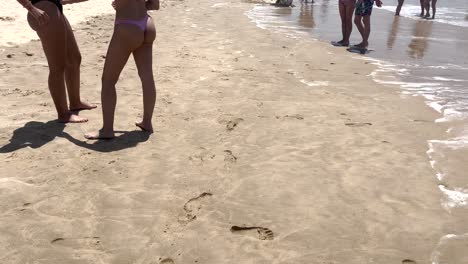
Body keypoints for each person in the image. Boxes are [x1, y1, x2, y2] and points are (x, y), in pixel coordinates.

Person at [85, 0, 159, 140]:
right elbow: (154, 5)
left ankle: (107, 129)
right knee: (147, 77)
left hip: (127, 26)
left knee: (108, 81)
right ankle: (147, 122)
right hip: (147, 23)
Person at [16, 0, 95, 123]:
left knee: (74, 58)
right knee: (57, 67)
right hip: (43, 10)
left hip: (54, 7)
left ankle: (75, 102)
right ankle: (63, 114)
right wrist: (30, 8)